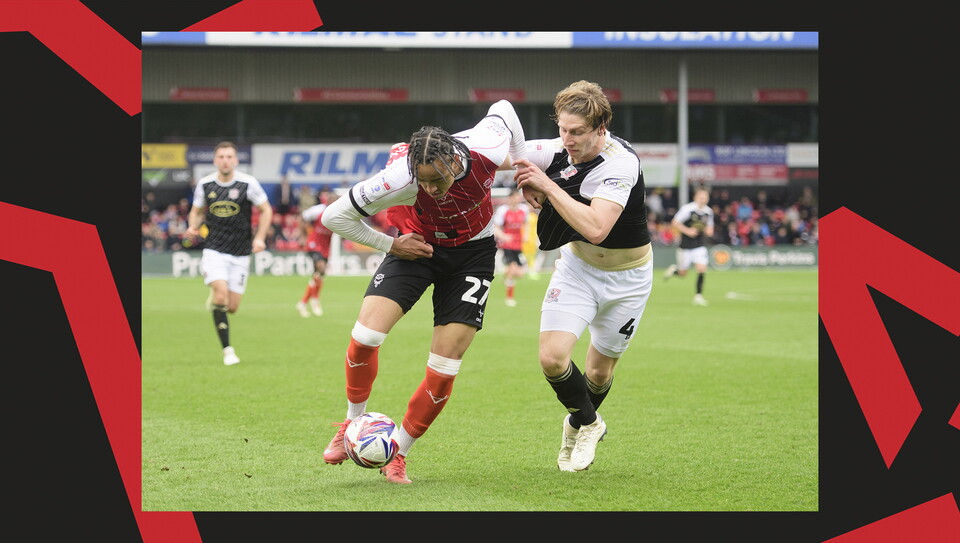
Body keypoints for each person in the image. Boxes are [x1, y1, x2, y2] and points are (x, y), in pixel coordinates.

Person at [319, 99, 528, 484]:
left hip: (472, 256)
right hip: (416, 248)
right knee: (366, 335)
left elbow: (505, 109)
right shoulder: (400, 176)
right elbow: (333, 216)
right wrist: (390, 245)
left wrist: (522, 167)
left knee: (445, 366)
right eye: (423, 181)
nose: (429, 188)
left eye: (437, 179)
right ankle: (351, 424)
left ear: (452, 160)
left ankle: (396, 453)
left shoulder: (487, 145)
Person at [512, 80, 653, 472]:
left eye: (576, 132)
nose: (566, 139)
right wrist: (524, 180)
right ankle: (590, 423)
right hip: (577, 269)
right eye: (561, 128)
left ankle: (575, 424)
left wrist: (546, 186)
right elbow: (497, 154)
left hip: (628, 279)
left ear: (600, 130)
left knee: (598, 371)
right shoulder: (558, 147)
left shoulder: (621, 163)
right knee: (552, 358)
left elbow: (596, 227)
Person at [185, 141, 272, 366]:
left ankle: (216, 296)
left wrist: (260, 237)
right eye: (221, 156)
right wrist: (192, 226)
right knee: (221, 296)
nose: (225, 160)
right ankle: (228, 350)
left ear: (235, 160)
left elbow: (266, 209)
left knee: (231, 307)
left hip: (241, 253)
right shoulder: (205, 184)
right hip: (214, 249)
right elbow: (195, 211)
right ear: (215, 160)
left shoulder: (247, 183)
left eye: (229, 156)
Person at [664, 186, 715, 306]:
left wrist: (709, 231)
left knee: (701, 269)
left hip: (699, 245)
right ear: (696, 197)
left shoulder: (708, 212)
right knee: (683, 273)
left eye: (705, 197)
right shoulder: (688, 209)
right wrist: (688, 231)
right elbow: (675, 222)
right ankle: (674, 270)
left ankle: (698, 296)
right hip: (685, 246)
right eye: (701, 197)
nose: (703, 199)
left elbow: (710, 227)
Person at [296, 192, 338, 317]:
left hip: (325, 246)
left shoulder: (340, 213)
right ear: (328, 200)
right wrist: (303, 236)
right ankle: (315, 301)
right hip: (314, 243)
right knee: (321, 268)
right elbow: (301, 218)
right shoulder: (318, 210)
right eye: (332, 200)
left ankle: (303, 303)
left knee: (319, 275)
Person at [492, 188, 531, 307]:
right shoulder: (503, 210)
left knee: (520, 273)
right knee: (513, 269)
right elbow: (496, 227)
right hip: (507, 244)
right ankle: (509, 298)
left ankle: (505, 274)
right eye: (515, 197)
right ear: (510, 198)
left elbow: (526, 223)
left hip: (518, 244)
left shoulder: (523, 210)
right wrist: (504, 236)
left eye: (518, 198)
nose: (517, 199)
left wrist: (526, 235)